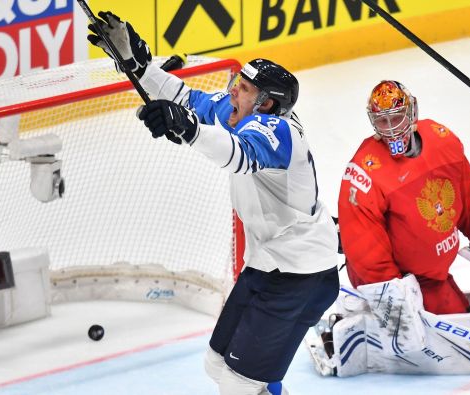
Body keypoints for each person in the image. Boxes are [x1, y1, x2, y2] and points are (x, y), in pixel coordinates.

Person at [87, 11, 340, 395]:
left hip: (299, 275)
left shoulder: (280, 131)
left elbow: (239, 153)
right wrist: (140, 68)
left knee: (238, 385)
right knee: (217, 364)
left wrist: (187, 129)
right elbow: (188, 99)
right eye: (238, 83)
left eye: (245, 89)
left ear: (268, 104)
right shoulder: (244, 112)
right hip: (269, 264)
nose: (233, 91)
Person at [337, 80, 470, 315]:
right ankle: (359, 321)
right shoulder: (365, 171)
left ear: (412, 112)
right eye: (382, 121)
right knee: (438, 339)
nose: (391, 129)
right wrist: (390, 288)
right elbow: (363, 241)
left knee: (458, 316)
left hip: (434, 277)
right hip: (398, 282)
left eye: (396, 118)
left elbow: (466, 190)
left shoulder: (441, 139)